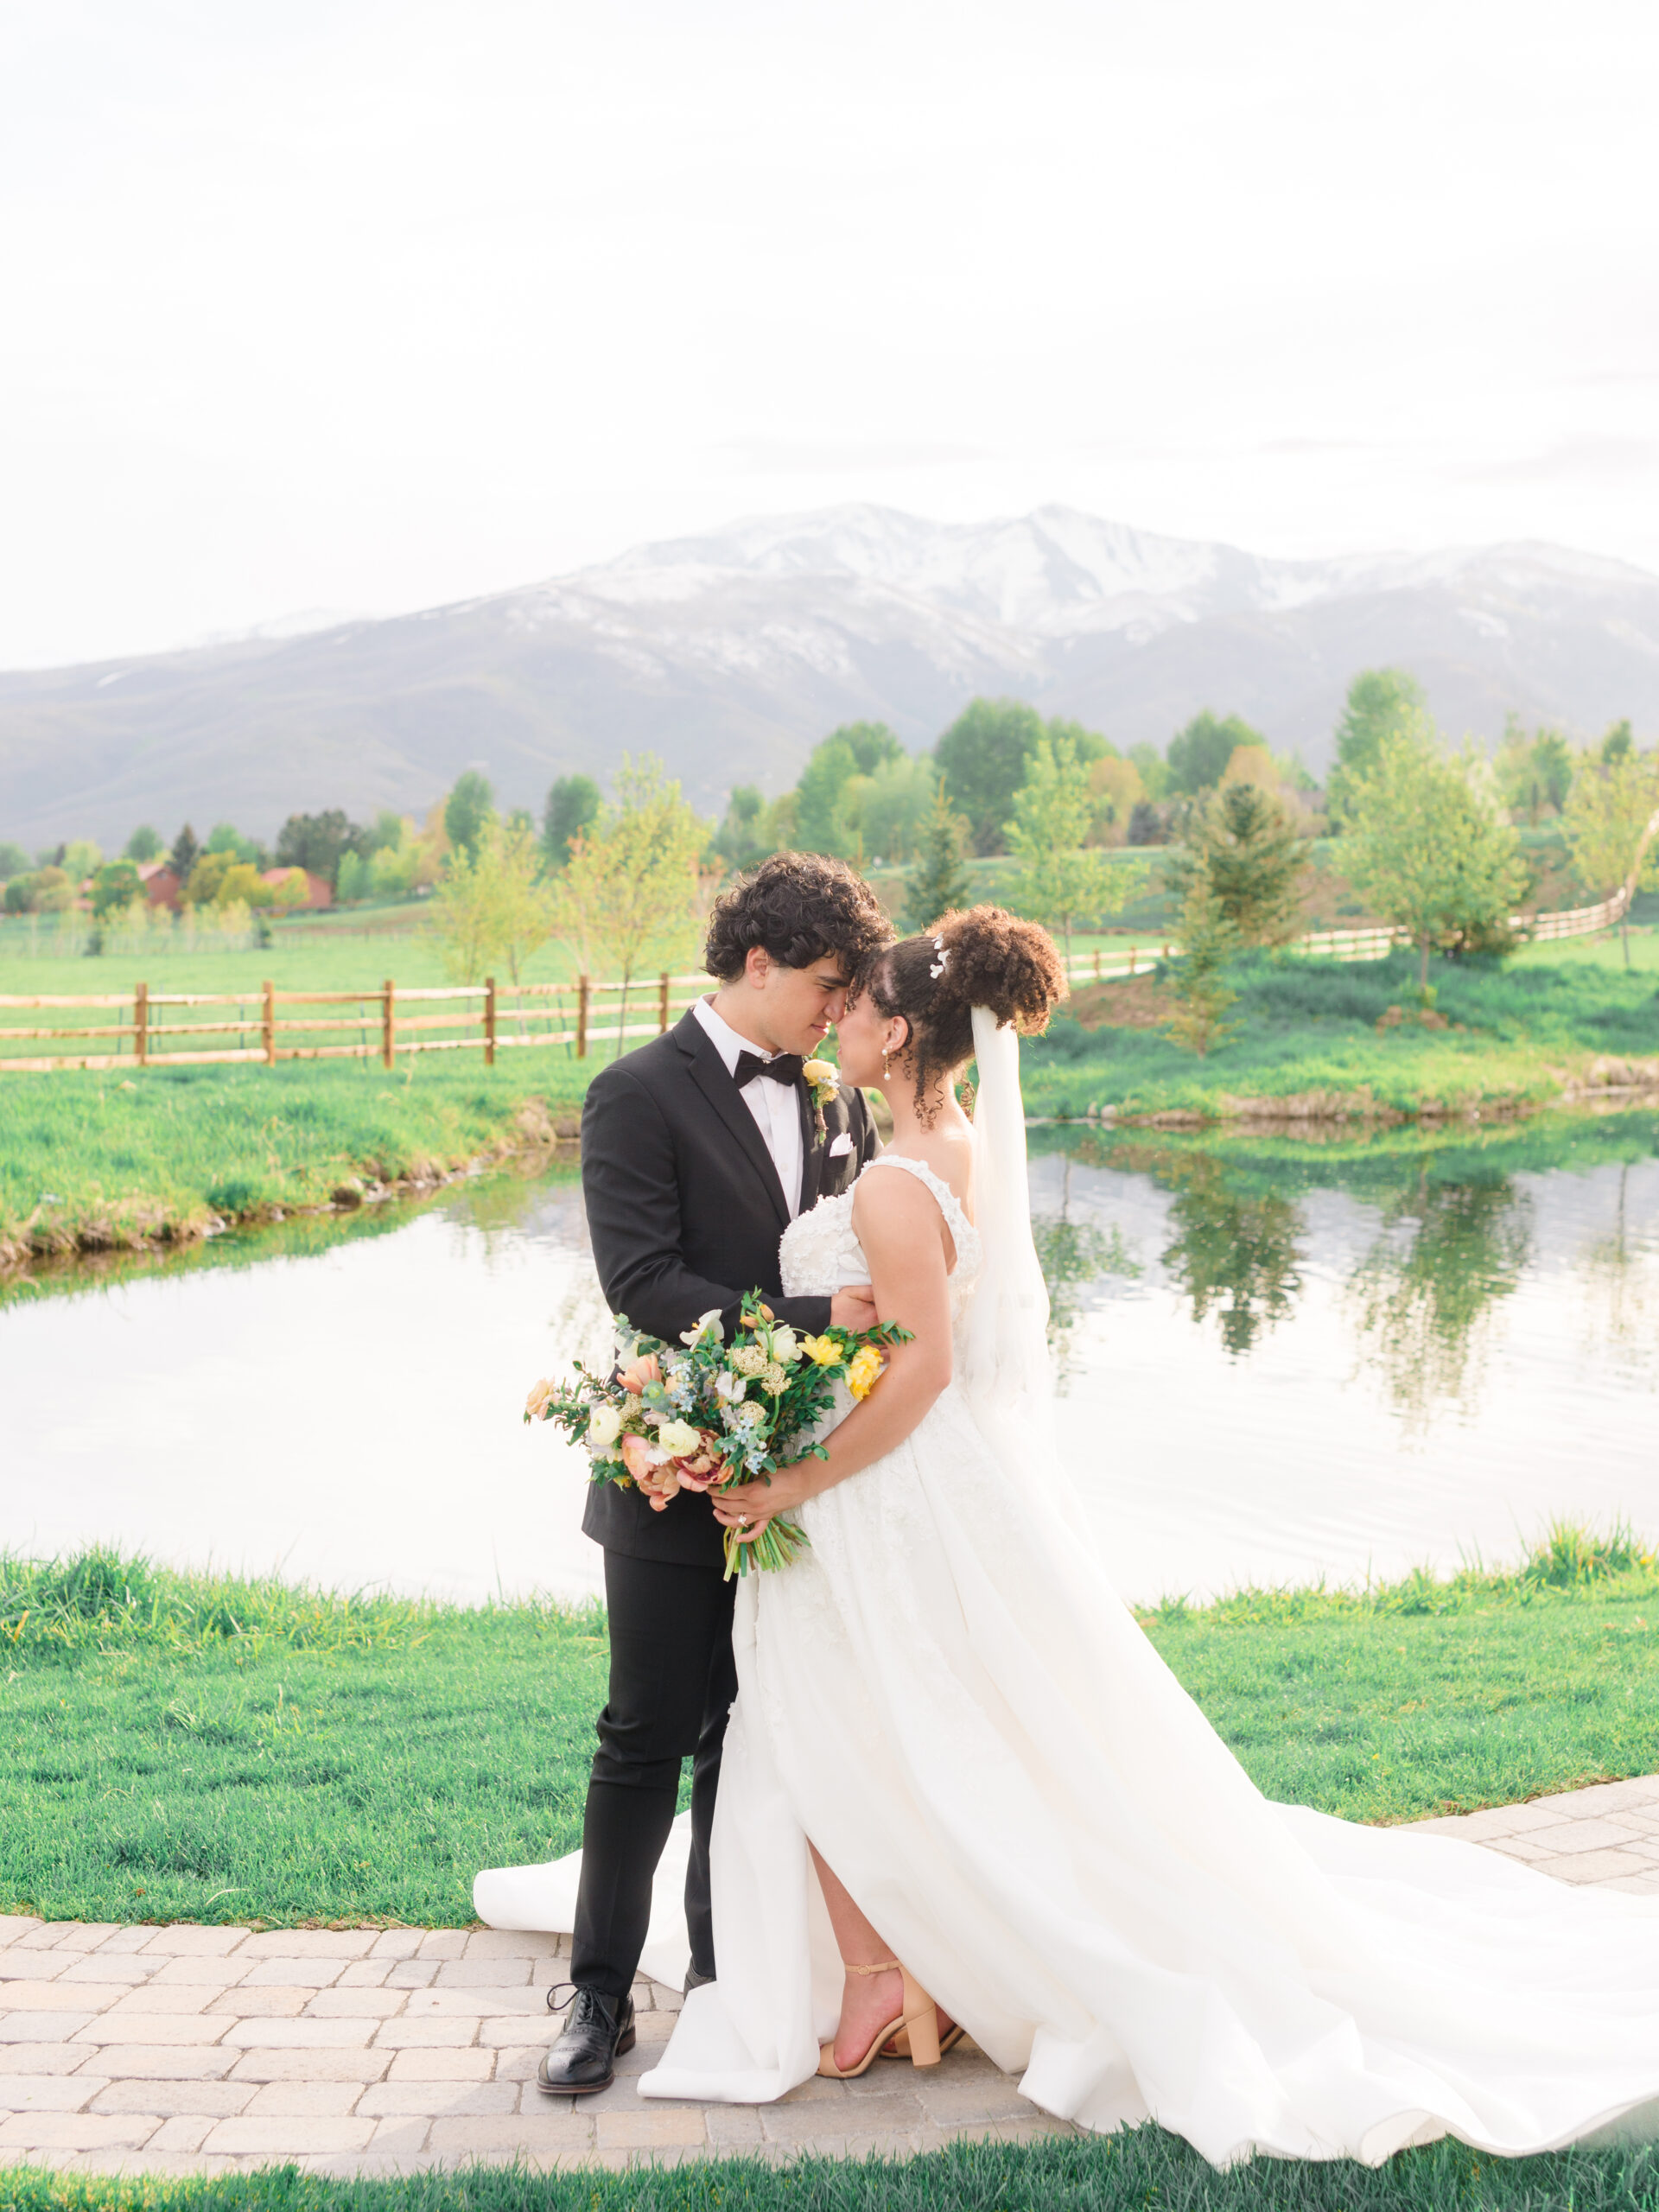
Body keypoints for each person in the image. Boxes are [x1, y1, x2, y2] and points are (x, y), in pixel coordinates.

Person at [631, 904, 1659, 2167]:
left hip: (874, 1490)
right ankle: (903, 1966)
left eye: (854, 1005)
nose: (834, 1017)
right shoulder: (950, 1147)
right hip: (919, 1492)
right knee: (913, 1724)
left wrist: (791, 1484)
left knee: (836, 1727)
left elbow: (921, 1373)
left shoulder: (898, 1183)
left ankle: (887, 1977)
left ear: (898, 1032)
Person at [528, 851, 893, 2095]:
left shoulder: (840, 1099)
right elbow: (642, 1283)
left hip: (803, 1481)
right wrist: (812, 1320)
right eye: (828, 986)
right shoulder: (634, 1092)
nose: (838, 1014)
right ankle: (594, 1996)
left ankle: (727, 1981)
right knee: (646, 1731)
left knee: (750, 1731)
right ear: (759, 962)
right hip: (671, 1469)